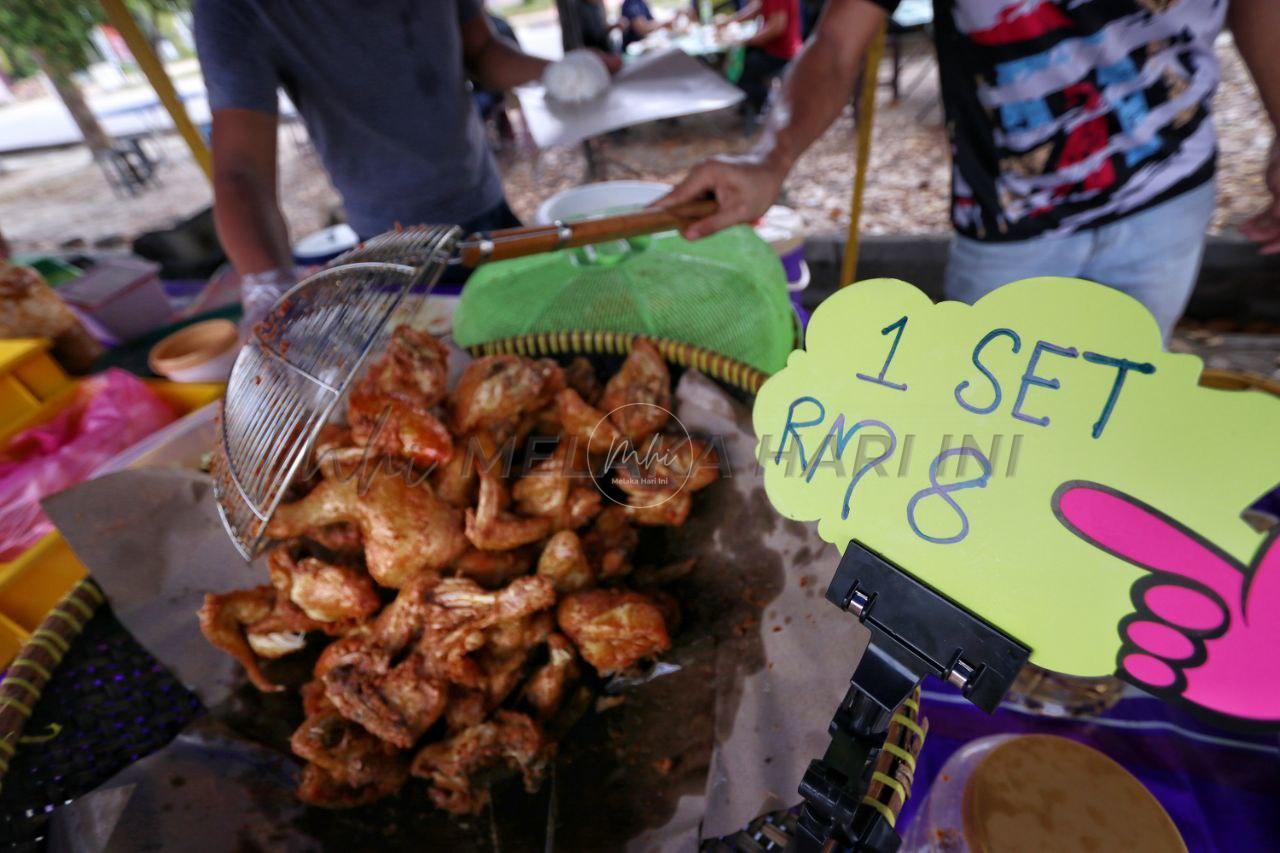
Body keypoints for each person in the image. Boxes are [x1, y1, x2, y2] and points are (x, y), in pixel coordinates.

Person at [662, 0, 1280, 339]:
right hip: (1010, 221)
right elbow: (837, 43)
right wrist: (771, 157)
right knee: (987, 429)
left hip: (1169, 192)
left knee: (1125, 397)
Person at [193, 0, 615, 327]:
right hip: (393, 250)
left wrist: (563, 73)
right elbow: (241, 170)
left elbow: (482, 50)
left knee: (548, 334)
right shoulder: (239, 7)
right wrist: (268, 288)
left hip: (489, 208)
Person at [722, 0, 802, 116]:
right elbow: (756, 9)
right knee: (740, 62)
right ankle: (751, 104)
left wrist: (746, 40)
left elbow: (777, 27)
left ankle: (768, 103)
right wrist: (731, 21)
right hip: (771, 48)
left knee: (740, 71)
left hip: (783, 53)